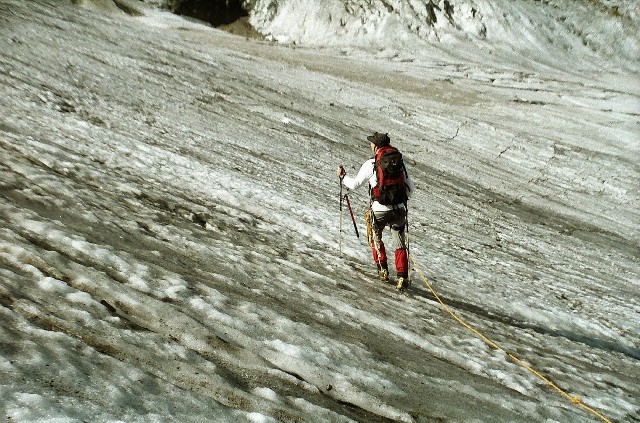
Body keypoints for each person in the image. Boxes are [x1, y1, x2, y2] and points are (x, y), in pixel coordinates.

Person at [337, 132, 415, 290]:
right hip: (399, 209)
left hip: (379, 208)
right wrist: (398, 199)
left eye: (372, 144)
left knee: (375, 237)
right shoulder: (400, 163)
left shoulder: (371, 164)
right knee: (399, 242)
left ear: (377, 146)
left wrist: (342, 176)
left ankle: (383, 270)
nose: (370, 146)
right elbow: (411, 189)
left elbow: (354, 184)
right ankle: (402, 278)